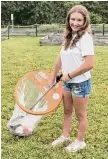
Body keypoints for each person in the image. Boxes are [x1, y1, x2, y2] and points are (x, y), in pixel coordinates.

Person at [48, 5, 95, 152]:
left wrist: (68, 75)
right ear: (68, 20)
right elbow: (60, 57)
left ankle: (80, 141)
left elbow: (89, 64)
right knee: (67, 111)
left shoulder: (85, 38)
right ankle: (65, 136)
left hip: (80, 83)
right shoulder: (68, 35)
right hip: (67, 83)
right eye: (72, 19)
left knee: (80, 114)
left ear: (85, 21)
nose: (75, 23)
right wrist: (52, 75)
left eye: (79, 20)